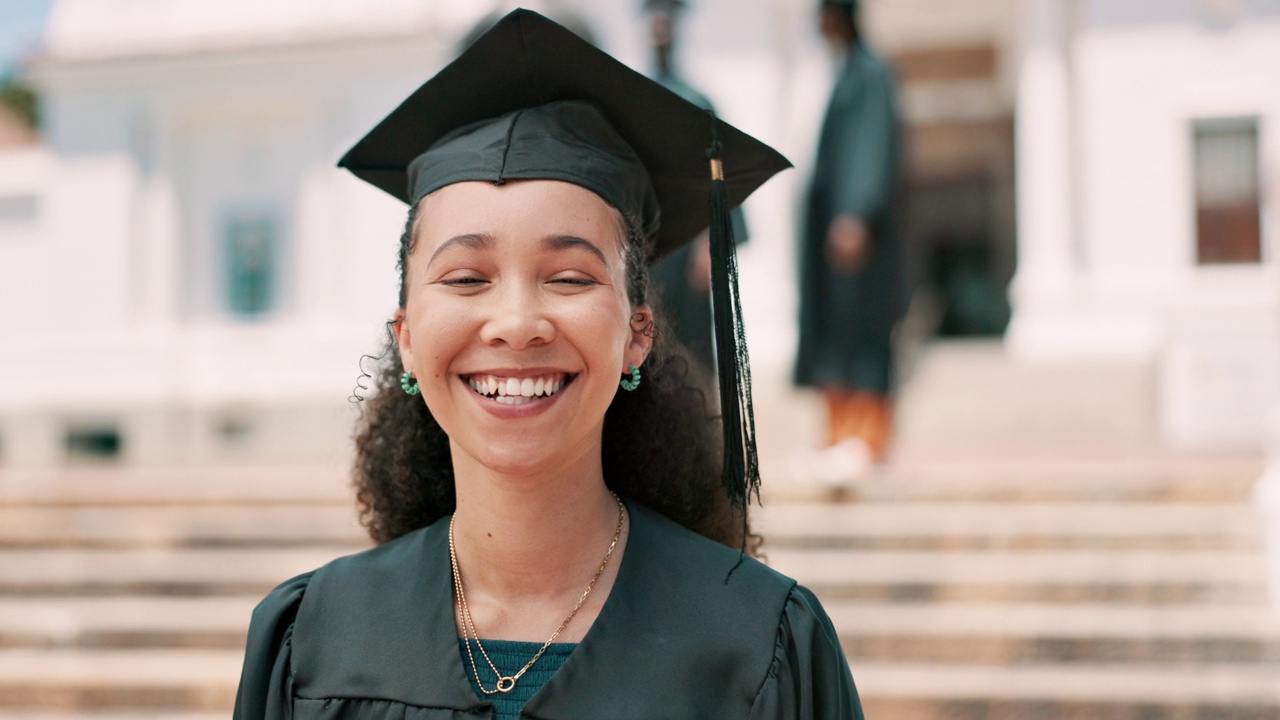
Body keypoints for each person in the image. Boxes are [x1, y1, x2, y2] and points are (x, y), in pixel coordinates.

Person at [233, 10, 863, 720]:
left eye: (569, 277)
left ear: (638, 333)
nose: (517, 325)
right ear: (406, 337)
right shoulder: (312, 641)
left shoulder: (759, 647)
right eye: (467, 277)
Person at [794, 0, 906, 476]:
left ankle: (869, 438)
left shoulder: (870, 74)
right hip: (830, 234)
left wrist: (857, 212)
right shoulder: (840, 74)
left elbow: (872, 145)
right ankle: (838, 435)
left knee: (862, 330)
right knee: (833, 330)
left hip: (858, 235)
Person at [642, 0, 749, 380]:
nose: (660, 27)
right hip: (648, 246)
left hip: (688, 248)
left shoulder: (697, 101)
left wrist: (712, 245)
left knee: (693, 344)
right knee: (646, 342)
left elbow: (718, 179)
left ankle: (703, 430)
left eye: (666, 19)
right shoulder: (634, 98)